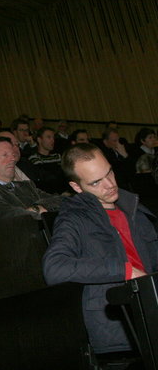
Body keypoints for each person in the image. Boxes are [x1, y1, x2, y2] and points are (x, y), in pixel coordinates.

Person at [43, 143, 158, 355]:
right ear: (77, 187)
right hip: (123, 326)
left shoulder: (132, 206)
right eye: (96, 182)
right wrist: (124, 270)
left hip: (151, 308)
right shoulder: (73, 219)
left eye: (109, 173)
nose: (109, 185)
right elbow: (54, 268)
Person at [0, 137, 61, 220]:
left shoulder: (26, 185)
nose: (13, 159)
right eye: (5, 155)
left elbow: (61, 200)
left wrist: (36, 207)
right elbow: (8, 216)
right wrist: (39, 212)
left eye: (13, 155)